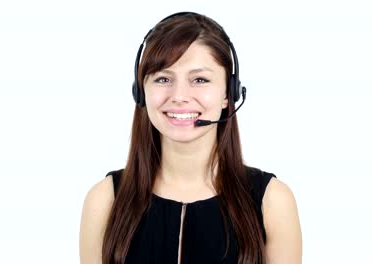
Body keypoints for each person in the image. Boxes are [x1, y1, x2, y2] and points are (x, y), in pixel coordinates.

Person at [79, 11, 302, 264]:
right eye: (163, 78)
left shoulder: (272, 202)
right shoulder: (105, 200)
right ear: (141, 92)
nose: (179, 95)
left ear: (229, 94)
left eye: (199, 79)